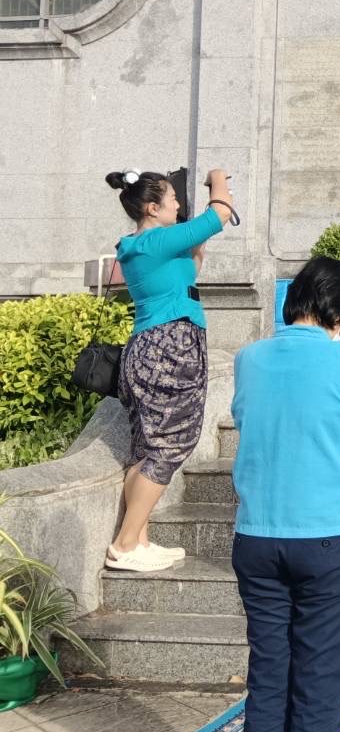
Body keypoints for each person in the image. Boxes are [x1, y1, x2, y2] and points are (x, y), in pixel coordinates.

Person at [230, 257, 340, 732]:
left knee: (268, 675)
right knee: (319, 685)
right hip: (331, 538)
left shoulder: (249, 357)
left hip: (257, 536)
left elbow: (246, 417)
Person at [103, 167, 235, 572]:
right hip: (169, 348)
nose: (179, 204)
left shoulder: (147, 245)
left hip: (153, 346)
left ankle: (138, 538)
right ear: (152, 207)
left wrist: (196, 241)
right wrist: (218, 179)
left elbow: (190, 270)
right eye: (172, 198)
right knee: (170, 445)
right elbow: (219, 215)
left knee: (147, 448)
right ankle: (125, 545)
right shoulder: (156, 239)